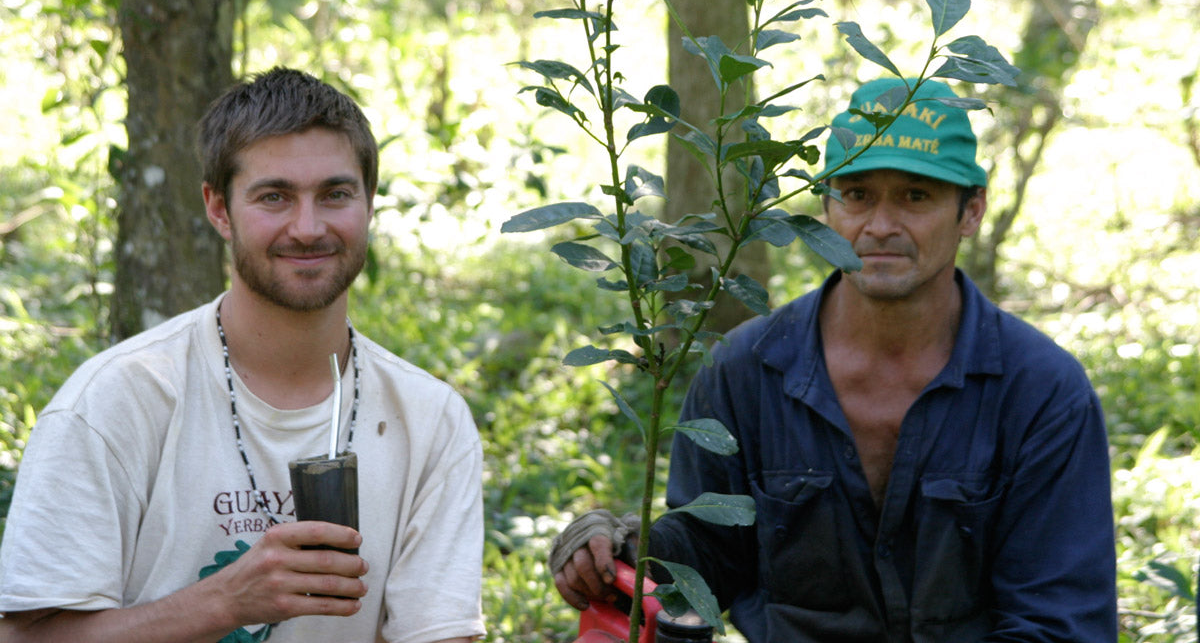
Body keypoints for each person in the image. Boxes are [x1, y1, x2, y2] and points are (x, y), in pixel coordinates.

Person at [551, 78, 1118, 642]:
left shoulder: (1041, 391)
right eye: (858, 195)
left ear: (970, 211)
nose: (880, 226)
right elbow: (710, 552)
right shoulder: (746, 369)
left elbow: (1060, 624)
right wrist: (626, 551)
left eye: (915, 196)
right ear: (826, 206)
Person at [0, 68, 485, 643]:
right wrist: (225, 600)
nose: (308, 229)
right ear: (219, 209)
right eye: (274, 197)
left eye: (335, 194)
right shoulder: (117, 398)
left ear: (369, 201)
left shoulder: (429, 419)